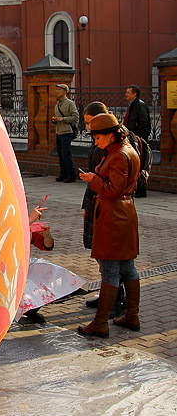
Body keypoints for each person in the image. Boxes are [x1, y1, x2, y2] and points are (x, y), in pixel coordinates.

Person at [78, 113, 141, 338]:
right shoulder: (124, 150)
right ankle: (132, 315)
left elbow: (113, 190)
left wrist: (92, 180)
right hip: (124, 214)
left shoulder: (119, 155)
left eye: (97, 137)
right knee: (126, 267)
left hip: (113, 217)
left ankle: (101, 322)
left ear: (110, 135)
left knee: (111, 270)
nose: (96, 142)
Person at [81, 102, 126, 317]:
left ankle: (115, 301)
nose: (90, 132)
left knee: (111, 260)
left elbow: (112, 185)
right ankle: (109, 295)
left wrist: (93, 181)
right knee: (104, 257)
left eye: (91, 124)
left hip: (107, 207)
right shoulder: (104, 145)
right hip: (97, 202)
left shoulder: (117, 152)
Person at [52, 83, 79, 183]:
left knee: (66, 154)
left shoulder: (69, 103)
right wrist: (54, 120)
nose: (57, 91)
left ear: (65, 91)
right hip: (59, 131)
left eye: (59, 90)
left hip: (67, 132)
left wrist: (63, 119)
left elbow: (76, 117)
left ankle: (71, 175)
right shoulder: (57, 104)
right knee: (60, 154)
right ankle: (62, 174)